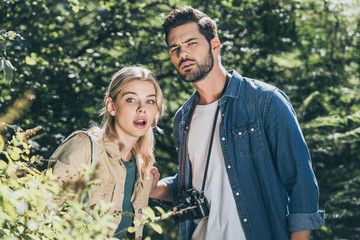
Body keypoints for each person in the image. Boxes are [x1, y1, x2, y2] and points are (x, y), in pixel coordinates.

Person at [149, 6, 325, 240]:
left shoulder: (265, 102)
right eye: (175, 48)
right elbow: (197, 180)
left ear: (215, 45)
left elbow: (301, 182)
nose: (183, 54)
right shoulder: (183, 118)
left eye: (192, 43)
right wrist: (154, 188)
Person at [50, 66, 164, 239]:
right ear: (112, 107)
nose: (142, 109)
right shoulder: (84, 147)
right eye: (131, 99)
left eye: (150, 101)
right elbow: (43, 213)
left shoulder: (143, 169)